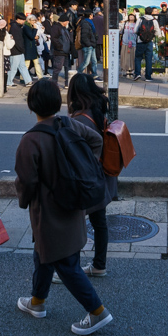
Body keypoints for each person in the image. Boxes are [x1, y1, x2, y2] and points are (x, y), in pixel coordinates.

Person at [14, 77, 114, 334]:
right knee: (44, 254)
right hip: (72, 205)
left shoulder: (30, 140)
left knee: (65, 263)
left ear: (31, 106)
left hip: (48, 212)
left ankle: (97, 311)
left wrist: (24, 201)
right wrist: (81, 171)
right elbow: (97, 141)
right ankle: (37, 302)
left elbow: (26, 181)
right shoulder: (67, 123)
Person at [66, 72, 116, 277]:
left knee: (74, 223)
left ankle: (70, 269)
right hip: (104, 176)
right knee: (99, 222)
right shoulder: (98, 108)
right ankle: (99, 265)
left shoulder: (79, 120)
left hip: (88, 180)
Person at [134, 9, 157, 81]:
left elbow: (135, 30)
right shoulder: (154, 20)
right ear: (152, 12)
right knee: (149, 59)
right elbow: (157, 32)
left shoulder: (140, 19)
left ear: (145, 12)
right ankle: (148, 76)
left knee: (138, 58)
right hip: (149, 42)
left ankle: (137, 74)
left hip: (140, 41)